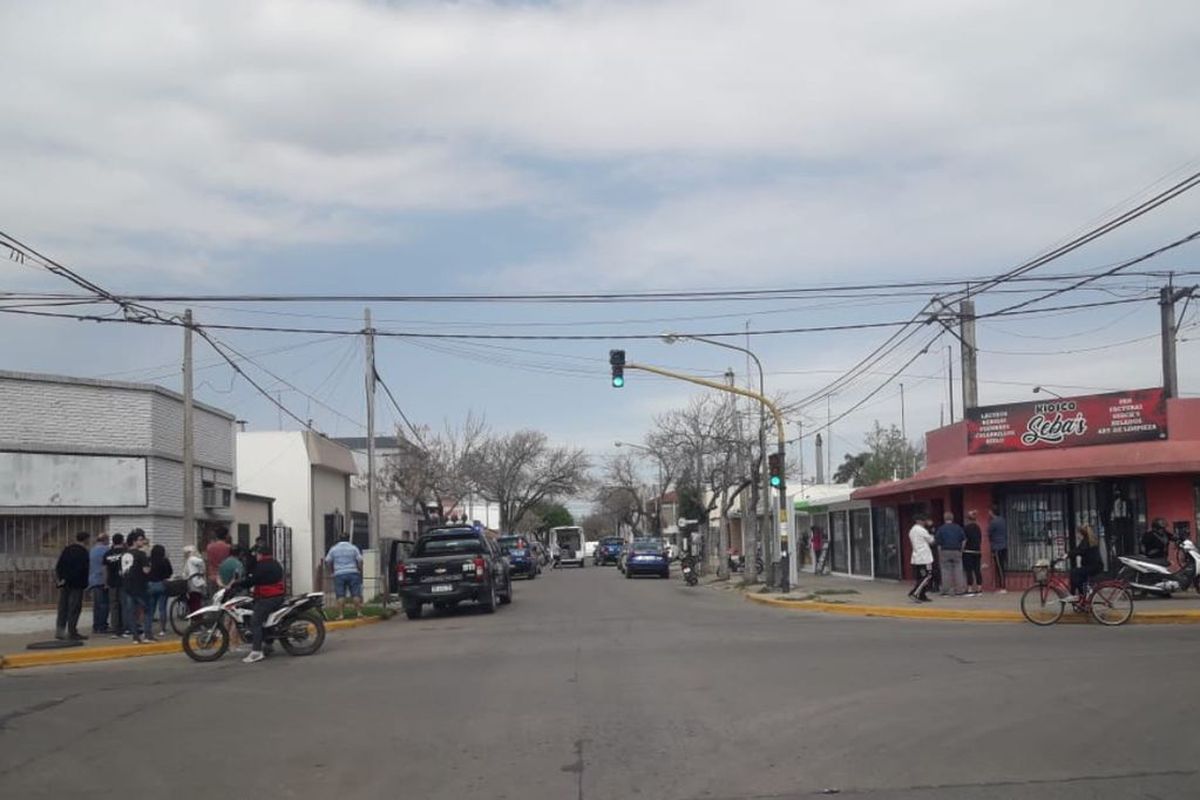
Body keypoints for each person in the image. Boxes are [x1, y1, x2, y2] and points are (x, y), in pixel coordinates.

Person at [234, 543, 287, 664]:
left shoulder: (262, 566)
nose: (256, 556)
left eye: (257, 554)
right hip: (277, 596)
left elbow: (252, 580)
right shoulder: (275, 563)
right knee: (265, 620)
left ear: (261, 554)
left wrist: (238, 584)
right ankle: (268, 645)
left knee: (255, 621)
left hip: (269, 598)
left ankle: (256, 652)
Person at [55, 531, 91, 640]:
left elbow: (59, 565)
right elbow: (82, 569)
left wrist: (62, 579)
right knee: (74, 608)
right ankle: (72, 631)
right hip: (77, 584)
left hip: (65, 583)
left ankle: (60, 631)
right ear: (86, 539)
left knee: (63, 607)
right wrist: (84, 583)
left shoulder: (67, 549)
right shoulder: (83, 552)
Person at [120, 530, 152, 644]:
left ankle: (135, 637)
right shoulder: (141, 554)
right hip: (140, 587)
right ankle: (147, 635)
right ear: (134, 541)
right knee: (147, 610)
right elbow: (146, 570)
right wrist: (148, 560)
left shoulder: (124, 554)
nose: (142, 542)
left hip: (127, 587)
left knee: (131, 613)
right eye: (140, 539)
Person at [325, 532, 364, 620]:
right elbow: (360, 560)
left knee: (340, 595)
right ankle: (359, 613)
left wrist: (331, 571)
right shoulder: (353, 548)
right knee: (355, 594)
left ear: (339, 539)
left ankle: (341, 615)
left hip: (339, 573)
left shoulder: (334, 549)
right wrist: (359, 569)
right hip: (353, 572)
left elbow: (327, 561)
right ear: (348, 538)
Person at [1066, 524, 1104, 602]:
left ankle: (1075, 595)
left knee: (1074, 572)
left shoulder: (1086, 541)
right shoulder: (1089, 540)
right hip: (1095, 566)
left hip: (1093, 567)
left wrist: (1067, 555)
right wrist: (1069, 554)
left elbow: (1079, 551)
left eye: (1078, 533)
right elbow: (1078, 550)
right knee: (1079, 576)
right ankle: (1083, 597)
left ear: (1081, 533)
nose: (1077, 536)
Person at [935, 512, 966, 597]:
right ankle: (959, 590)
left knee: (945, 571)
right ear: (952, 518)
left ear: (944, 518)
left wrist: (940, 554)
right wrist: (961, 550)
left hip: (945, 550)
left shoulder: (941, 529)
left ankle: (946, 590)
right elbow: (964, 540)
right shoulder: (958, 528)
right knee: (958, 570)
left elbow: (938, 543)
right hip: (956, 550)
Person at [145, 544, 173, 638]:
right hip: (162, 585)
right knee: (162, 608)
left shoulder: (149, 560)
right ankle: (162, 629)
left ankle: (148, 629)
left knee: (150, 609)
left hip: (150, 585)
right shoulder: (164, 560)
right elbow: (170, 572)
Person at [907, 516, 936, 603]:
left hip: (916, 557)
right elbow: (931, 541)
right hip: (925, 557)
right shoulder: (922, 530)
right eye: (923, 521)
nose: (924, 522)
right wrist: (931, 531)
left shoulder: (912, 530)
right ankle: (914, 593)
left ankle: (922, 595)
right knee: (927, 576)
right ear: (919, 521)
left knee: (921, 577)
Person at [104, 533, 128, 637]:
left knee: (114, 606)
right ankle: (124, 628)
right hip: (124, 582)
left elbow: (105, 569)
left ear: (113, 542)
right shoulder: (126, 553)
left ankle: (115, 628)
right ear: (122, 541)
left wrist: (105, 582)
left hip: (112, 582)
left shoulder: (108, 554)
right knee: (124, 605)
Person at [88, 532, 111, 635]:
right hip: (102, 580)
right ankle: (102, 626)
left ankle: (96, 626)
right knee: (104, 604)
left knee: (96, 605)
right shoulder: (106, 550)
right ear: (105, 540)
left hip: (93, 580)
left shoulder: (91, 551)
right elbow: (106, 567)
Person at [962, 510, 984, 597]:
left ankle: (970, 588)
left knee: (969, 570)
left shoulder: (966, 528)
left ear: (968, 519)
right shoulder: (978, 528)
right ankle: (979, 588)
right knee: (977, 570)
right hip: (977, 551)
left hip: (968, 551)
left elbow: (964, 540)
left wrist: (962, 549)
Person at [988, 505, 1008, 594]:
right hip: (1003, 545)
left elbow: (989, 533)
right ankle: (1002, 586)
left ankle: (1003, 587)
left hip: (997, 547)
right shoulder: (1003, 520)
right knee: (1001, 566)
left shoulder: (993, 522)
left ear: (992, 512)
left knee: (999, 567)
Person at [205, 529, 232, 594]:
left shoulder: (209, 547)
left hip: (212, 575)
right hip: (225, 576)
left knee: (213, 597)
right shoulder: (228, 547)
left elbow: (207, 561)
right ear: (226, 536)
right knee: (224, 597)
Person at [183, 545, 206, 612]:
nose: (185, 554)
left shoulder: (191, 558)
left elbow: (200, 561)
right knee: (195, 599)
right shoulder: (189, 560)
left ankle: (196, 614)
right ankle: (196, 614)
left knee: (195, 599)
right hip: (195, 581)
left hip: (194, 582)